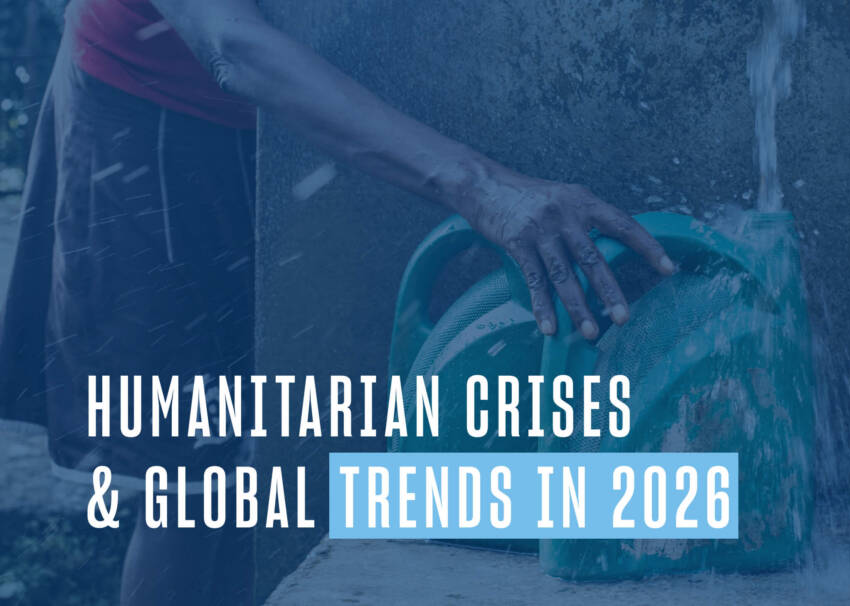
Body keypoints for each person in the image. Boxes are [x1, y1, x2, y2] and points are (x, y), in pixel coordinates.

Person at [0, 0, 674, 604]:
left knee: (273, 453)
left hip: (316, 92)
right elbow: (231, 42)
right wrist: (482, 185)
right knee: (193, 479)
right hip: (161, 113)